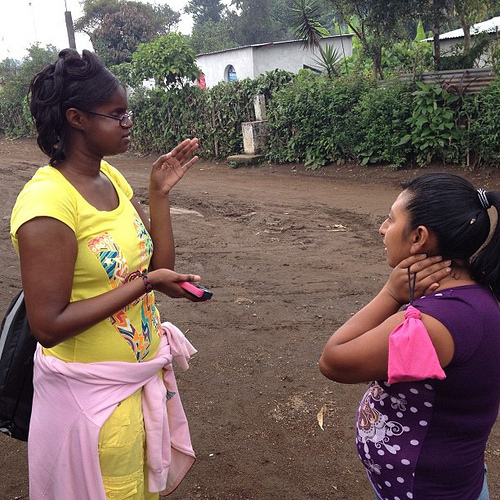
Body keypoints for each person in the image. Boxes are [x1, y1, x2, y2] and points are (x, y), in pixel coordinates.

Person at [10, 48, 203, 499]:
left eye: (127, 111)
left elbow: (157, 267)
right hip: (92, 405)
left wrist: (158, 194)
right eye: (116, 113)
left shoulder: (110, 179)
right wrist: (147, 285)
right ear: (76, 118)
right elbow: (47, 325)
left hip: (138, 385)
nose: (128, 121)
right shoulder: (47, 206)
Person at [319, 172, 500, 500]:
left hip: (423, 491)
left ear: (419, 237)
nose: (382, 229)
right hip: (452, 482)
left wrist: (389, 294)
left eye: (390, 219)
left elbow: (333, 360)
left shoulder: (430, 325)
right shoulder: (476, 293)